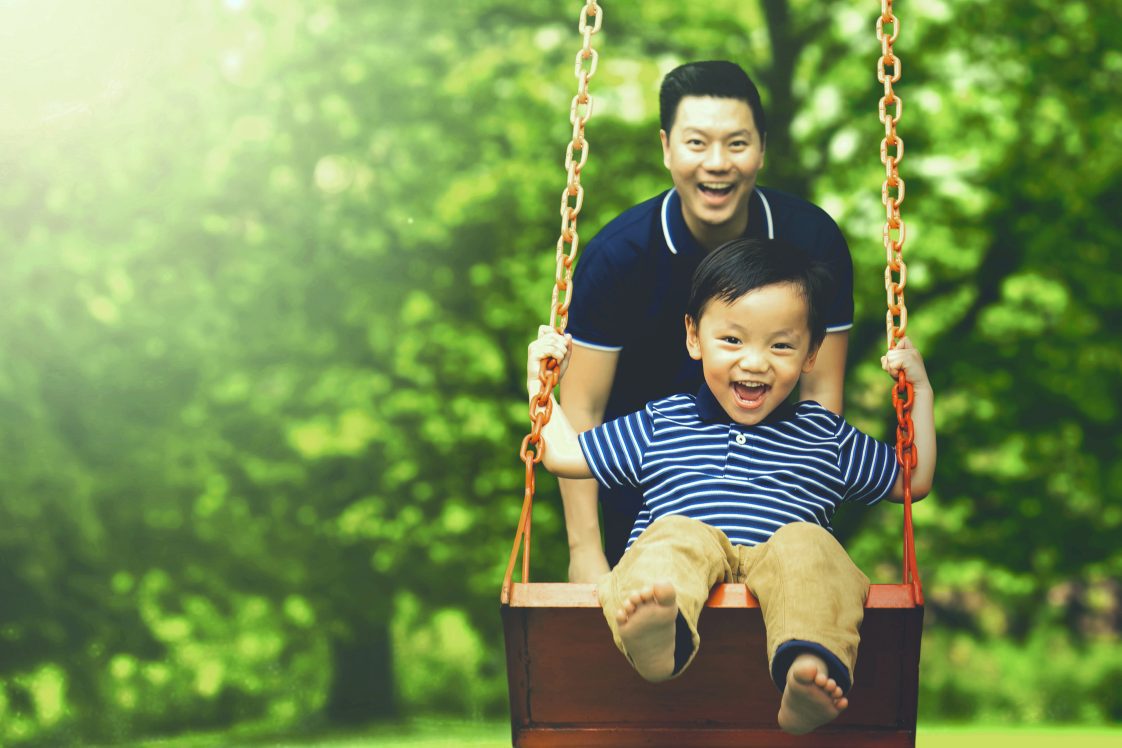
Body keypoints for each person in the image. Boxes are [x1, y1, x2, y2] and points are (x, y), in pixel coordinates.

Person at [526, 238, 935, 735]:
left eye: (781, 345)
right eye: (733, 340)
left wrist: (919, 393)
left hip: (786, 574)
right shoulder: (665, 421)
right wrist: (540, 385)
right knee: (673, 535)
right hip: (684, 572)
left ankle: (807, 671)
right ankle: (657, 636)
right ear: (694, 338)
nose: (755, 362)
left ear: (811, 353)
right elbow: (564, 456)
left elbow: (911, 479)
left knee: (811, 546)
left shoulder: (823, 434)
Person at [561, 60, 855, 580]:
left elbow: (820, 393)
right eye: (696, 143)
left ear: (761, 149)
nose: (717, 163)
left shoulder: (811, 241)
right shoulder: (618, 257)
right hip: (649, 486)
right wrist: (585, 551)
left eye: (737, 144)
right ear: (667, 148)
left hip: (774, 489)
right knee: (656, 599)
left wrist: (807, 511)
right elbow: (582, 406)